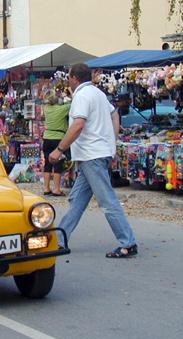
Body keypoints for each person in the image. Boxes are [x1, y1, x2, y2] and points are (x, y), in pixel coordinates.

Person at [49, 63, 138, 258]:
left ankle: (128, 242)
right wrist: (111, 142)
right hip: (97, 154)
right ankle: (60, 240)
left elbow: (78, 124)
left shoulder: (81, 96)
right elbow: (114, 114)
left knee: (107, 201)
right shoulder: (97, 93)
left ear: (74, 77)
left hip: (92, 155)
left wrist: (60, 149)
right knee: (77, 200)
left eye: (69, 78)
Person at [42, 89, 70, 196]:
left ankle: (46, 188)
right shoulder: (62, 109)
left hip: (47, 137)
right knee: (58, 163)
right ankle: (57, 189)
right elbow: (71, 104)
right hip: (58, 138)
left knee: (47, 163)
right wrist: (65, 99)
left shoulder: (46, 108)